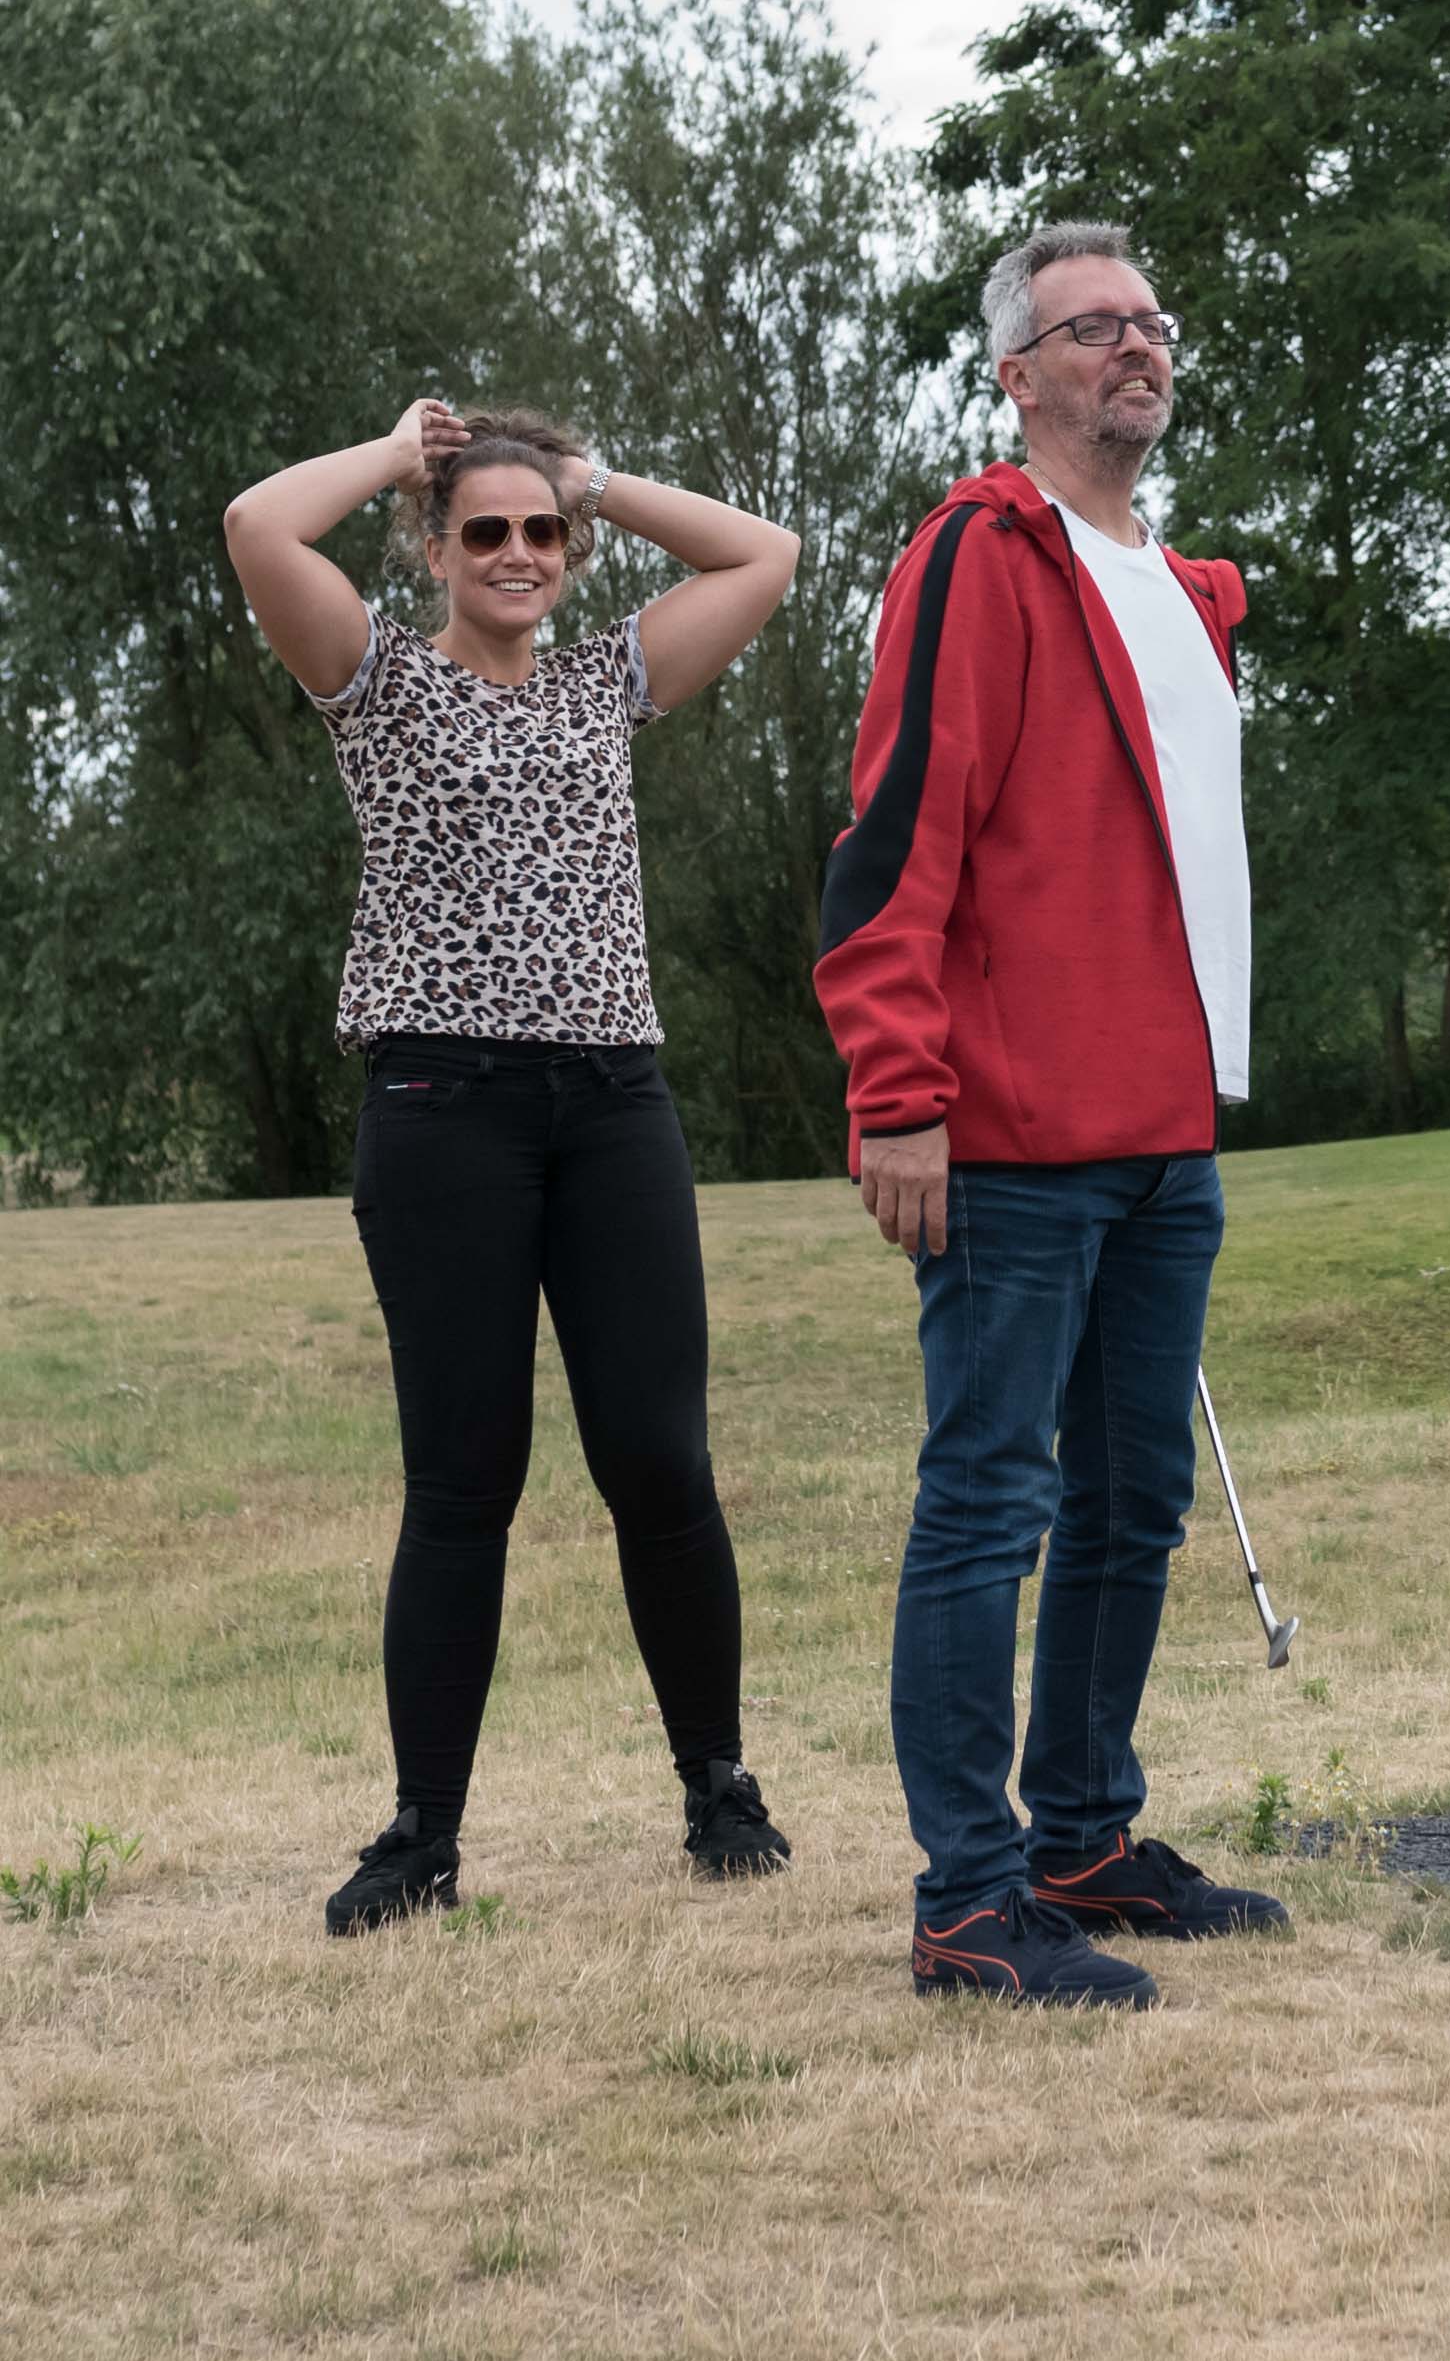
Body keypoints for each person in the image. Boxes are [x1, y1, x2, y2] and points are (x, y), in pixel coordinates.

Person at [225, 399, 805, 1935]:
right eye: (483, 530)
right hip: (442, 1109)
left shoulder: (611, 680)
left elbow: (768, 554)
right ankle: (423, 1836)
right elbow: (258, 529)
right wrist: (403, 448)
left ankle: (717, 1786)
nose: (518, 553)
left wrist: (587, 473)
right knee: (462, 1483)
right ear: (434, 547)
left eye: (540, 533)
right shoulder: (376, 680)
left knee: (659, 1464)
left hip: (615, 1107)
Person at [814, 222, 1288, 2009]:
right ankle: (970, 1898)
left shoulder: (1176, 586)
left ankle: (1085, 1831)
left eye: (1153, 322)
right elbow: (893, 835)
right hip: (1009, 1132)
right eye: (1094, 328)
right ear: (1016, 372)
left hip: (1164, 1128)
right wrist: (900, 1090)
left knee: (1133, 1498)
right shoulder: (975, 558)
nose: (1136, 349)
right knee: (990, 1500)